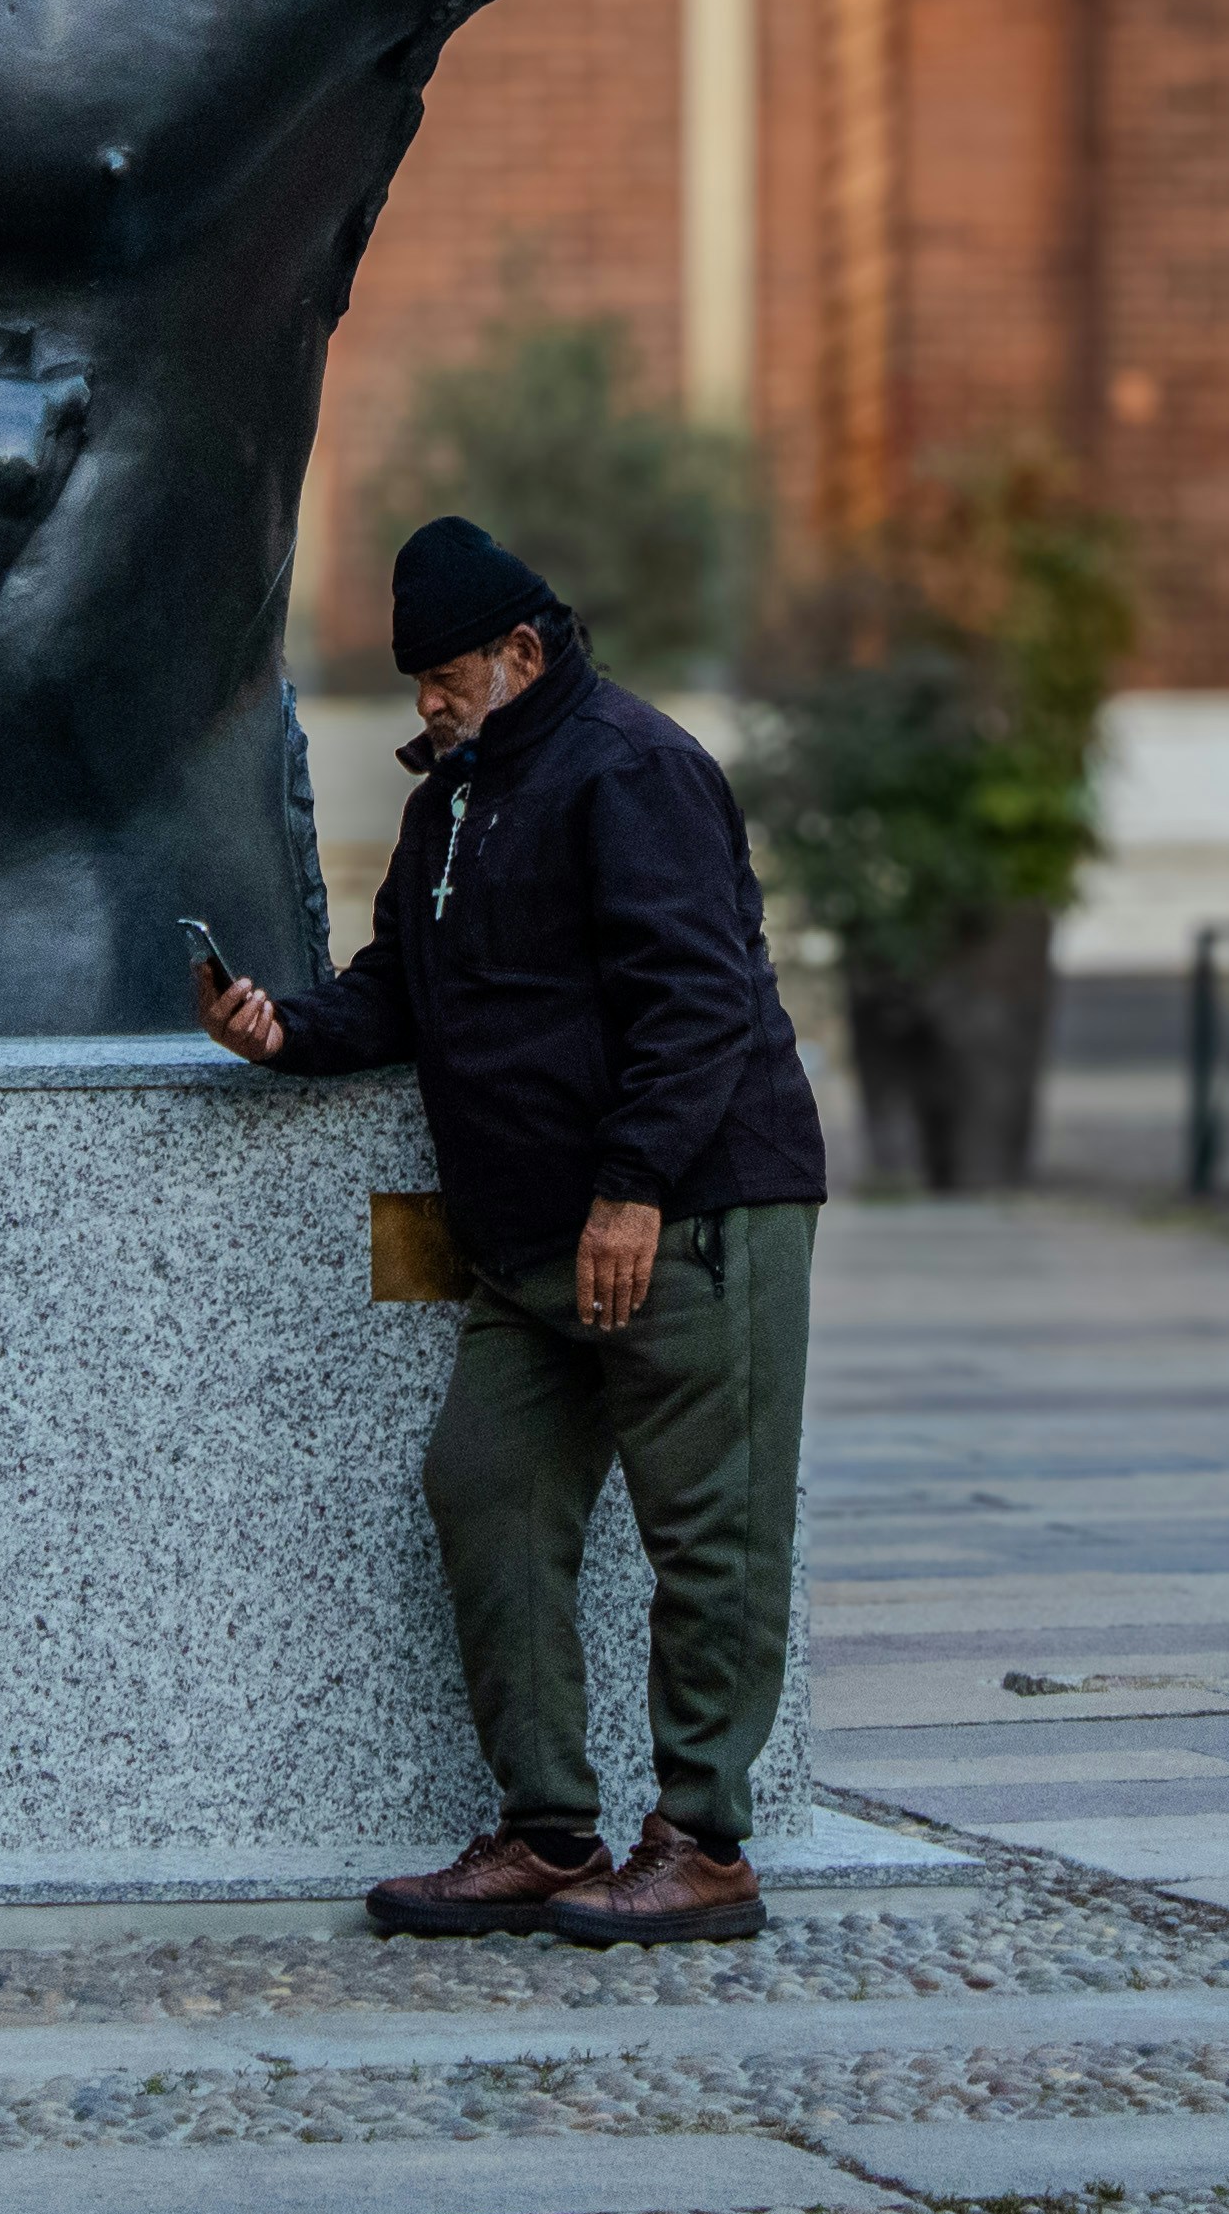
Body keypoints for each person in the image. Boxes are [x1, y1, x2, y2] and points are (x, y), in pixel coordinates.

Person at [192, 517, 833, 1945]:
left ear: (521, 653)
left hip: (689, 1215)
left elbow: (697, 1000)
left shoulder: (633, 769)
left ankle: (704, 1843)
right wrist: (283, 1031)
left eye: (445, 676)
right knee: (485, 1485)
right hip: (530, 1243)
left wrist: (633, 1188)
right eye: (416, 680)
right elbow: (399, 992)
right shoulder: (454, 804)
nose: (427, 702)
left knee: (710, 1534)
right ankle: (548, 1832)